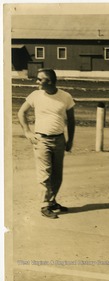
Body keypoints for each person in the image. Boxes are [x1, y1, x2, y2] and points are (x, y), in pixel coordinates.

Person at [18, 68, 75, 219]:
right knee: (44, 174)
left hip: (59, 139)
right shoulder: (35, 95)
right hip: (41, 140)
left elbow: (71, 121)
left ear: (49, 81)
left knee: (57, 175)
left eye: (39, 79)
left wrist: (70, 141)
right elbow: (21, 112)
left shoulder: (65, 96)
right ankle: (44, 205)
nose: (36, 82)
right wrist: (27, 132)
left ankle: (52, 201)